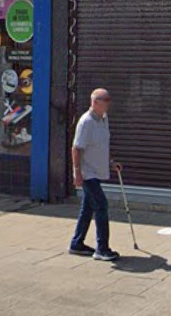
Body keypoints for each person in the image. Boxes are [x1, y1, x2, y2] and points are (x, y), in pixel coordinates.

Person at [69, 88, 122, 261]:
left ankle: (77, 244)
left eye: (109, 99)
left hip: (96, 171)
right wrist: (77, 173)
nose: (109, 102)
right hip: (87, 174)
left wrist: (110, 163)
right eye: (105, 100)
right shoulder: (86, 122)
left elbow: (100, 147)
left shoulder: (103, 120)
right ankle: (102, 248)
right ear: (95, 102)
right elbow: (76, 149)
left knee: (87, 208)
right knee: (101, 206)